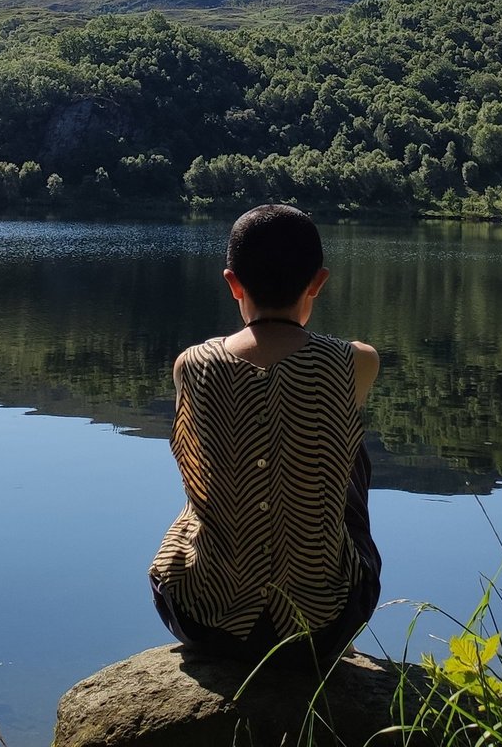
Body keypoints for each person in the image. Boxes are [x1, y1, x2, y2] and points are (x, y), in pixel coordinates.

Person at [150, 203, 381, 666]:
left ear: (232, 282)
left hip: (204, 618)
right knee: (348, 454)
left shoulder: (190, 364)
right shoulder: (356, 361)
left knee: (204, 468)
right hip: (323, 624)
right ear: (318, 282)